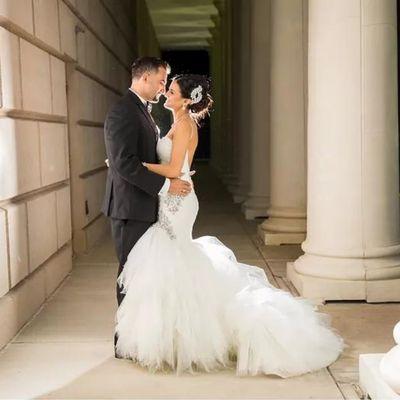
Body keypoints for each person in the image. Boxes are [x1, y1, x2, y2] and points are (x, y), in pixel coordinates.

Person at [113, 73, 345, 377]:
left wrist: (136, 165)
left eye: (170, 91)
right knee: (172, 259)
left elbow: (172, 168)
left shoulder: (185, 124)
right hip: (173, 196)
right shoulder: (175, 123)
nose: (165, 93)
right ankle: (172, 338)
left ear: (185, 99)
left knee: (171, 257)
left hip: (178, 201)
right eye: (165, 89)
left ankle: (183, 339)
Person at [101, 57, 192, 358]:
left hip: (145, 205)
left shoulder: (142, 110)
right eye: (160, 81)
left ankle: (138, 337)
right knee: (129, 274)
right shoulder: (122, 112)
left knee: (143, 273)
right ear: (143, 79)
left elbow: (129, 159)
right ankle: (123, 343)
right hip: (129, 208)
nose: (163, 87)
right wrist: (167, 186)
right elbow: (124, 162)